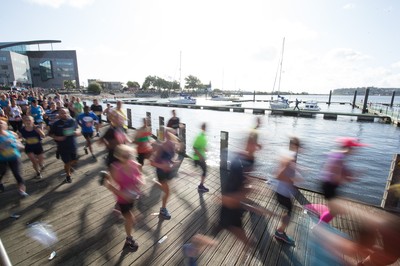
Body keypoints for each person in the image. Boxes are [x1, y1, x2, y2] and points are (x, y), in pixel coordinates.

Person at [99, 144, 144, 251]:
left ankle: (126, 214)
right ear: (118, 156)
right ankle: (129, 239)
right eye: (124, 156)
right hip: (123, 199)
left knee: (131, 217)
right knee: (129, 219)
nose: (128, 158)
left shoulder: (134, 164)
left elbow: (140, 176)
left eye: (129, 155)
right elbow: (109, 185)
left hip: (133, 196)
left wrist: (141, 181)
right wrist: (123, 194)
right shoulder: (116, 168)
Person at [319, 137, 368, 224]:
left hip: (327, 184)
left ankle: (322, 220)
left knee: (334, 209)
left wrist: (349, 176)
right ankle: (319, 226)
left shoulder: (337, 155)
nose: (355, 150)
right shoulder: (340, 158)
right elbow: (338, 177)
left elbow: (339, 172)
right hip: (329, 187)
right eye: (354, 148)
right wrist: (351, 178)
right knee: (334, 211)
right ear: (349, 148)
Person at [273, 150, 302, 246]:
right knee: (289, 213)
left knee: (288, 211)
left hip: (282, 193)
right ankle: (280, 233)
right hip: (282, 194)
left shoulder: (288, 162)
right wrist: (291, 180)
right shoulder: (288, 163)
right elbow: (278, 175)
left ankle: (280, 229)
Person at [150, 128, 180, 219]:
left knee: (166, 190)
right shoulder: (161, 147)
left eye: (169, 134)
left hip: (168, 171)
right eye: (166, 134)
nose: (167, 135)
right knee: (167, 192)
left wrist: (172, 163)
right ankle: (163, 210)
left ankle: (159, 184)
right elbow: (152, 162)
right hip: (161, 172)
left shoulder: (173, 145)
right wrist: (162, 166)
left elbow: (170, 159)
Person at [49, 108, 80, 183]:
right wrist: (56, 137)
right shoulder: (56, 124)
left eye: (65, 113)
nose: (63, 114)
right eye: (61, 113)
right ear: (59, 115)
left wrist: (77, 132)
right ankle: (68, 175)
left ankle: (69, 167)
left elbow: (78, 128)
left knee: (75, 161)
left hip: (72, 145)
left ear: (68, 113)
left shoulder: (72, 121)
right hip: (62, 146)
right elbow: (50, 134)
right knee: (67, 162)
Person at [0, 119, 28, 196]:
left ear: (6, 125)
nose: (0, 125)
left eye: (1, 123)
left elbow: (18, 141)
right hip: (2, 159)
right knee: (2, 173)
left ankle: (22, 191)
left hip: (14, 157)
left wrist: (20, 145)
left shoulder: (11, 133)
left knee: (17, 174)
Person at [193, 123, 209, 192]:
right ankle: (201, 186)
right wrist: (200, 157)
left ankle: (201, 185)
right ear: (202, 128)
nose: (205, 128)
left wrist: (204, 148)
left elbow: (200, 146)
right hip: (199, 158)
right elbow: (194, 147)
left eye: (205, 127)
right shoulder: (199, 136)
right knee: (205, 171)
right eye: (204, 127)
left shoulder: (203, 135)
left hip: (201, 157)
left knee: (204, 171)